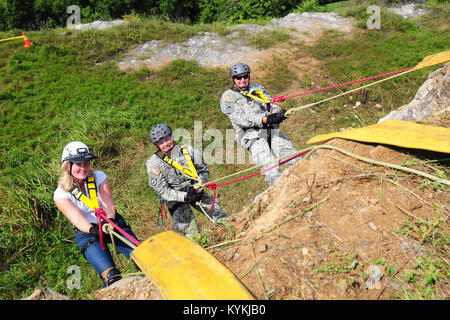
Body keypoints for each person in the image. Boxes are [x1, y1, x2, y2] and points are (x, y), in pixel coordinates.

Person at [54, 141, 139, 287]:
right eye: (78, 164)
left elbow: (108, 203)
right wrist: (94, 230)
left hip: (110, 223)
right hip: (88, 232)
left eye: (86, 163)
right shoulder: (61, 194)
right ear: (67, 166)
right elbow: (77, 219)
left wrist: (109, 220)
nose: (83, 168)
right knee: (111, 277)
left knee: (142, 258)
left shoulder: (99, 176)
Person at [220, 62, 300, 187]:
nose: (242, 80)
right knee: (273, 172)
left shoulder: (257, 89)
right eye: (238, 78)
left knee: (295, 160)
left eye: (245, 76)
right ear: (233, 79)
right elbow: (241, 119)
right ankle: (282, 198)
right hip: (253, 137)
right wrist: (265, 119)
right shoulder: (228, 97)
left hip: (271, 131)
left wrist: (278, 113)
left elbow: (269, 103)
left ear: (249, 77)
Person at [146, 123, 227, 239]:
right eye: (161, 142)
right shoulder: (153, 164)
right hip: (174, 198)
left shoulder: (189, 150)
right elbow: (162, 191)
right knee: (190, 231)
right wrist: (185, 196)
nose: (166, 144)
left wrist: (198, 185)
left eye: (167, 139)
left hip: (194, 189)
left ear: (172, 136)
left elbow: (204, 172)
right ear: (156, 145)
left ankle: (228, 233)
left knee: (218, 213)